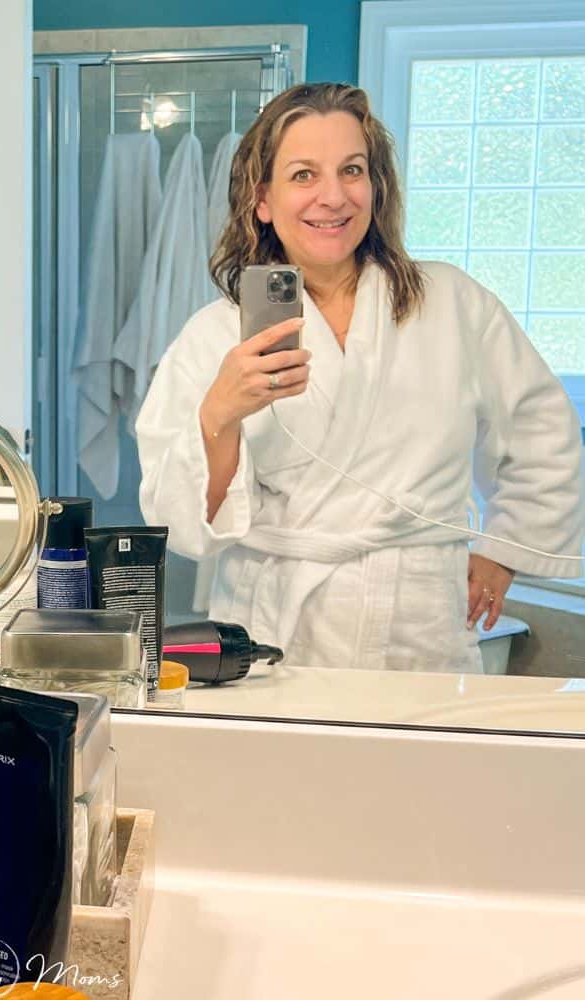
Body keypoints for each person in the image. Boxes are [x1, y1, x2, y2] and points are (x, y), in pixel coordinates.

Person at [135, 83, 584, 672]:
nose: (333, 197)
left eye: (352, 170)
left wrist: (502, 552)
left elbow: (543, 432)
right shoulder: (213, 335)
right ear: (262, 198)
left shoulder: (452, 303)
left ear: (375, 187)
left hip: (420, 621)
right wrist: (219, 414)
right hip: (277, 623)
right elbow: (186, 525)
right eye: (302, 175)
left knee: (421, 765)